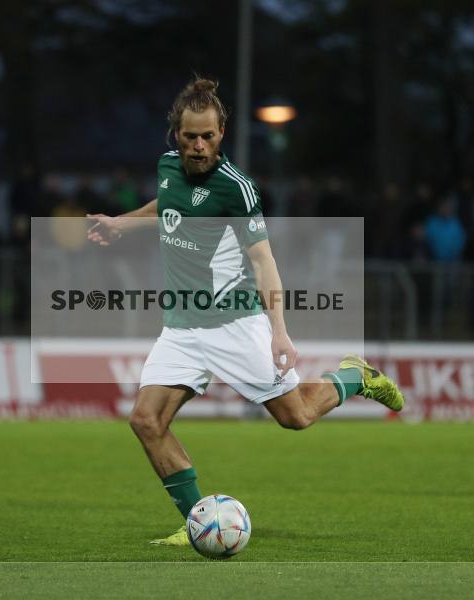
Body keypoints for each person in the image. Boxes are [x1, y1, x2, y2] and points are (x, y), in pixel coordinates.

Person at [85, 78, 404, 546]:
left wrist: (279, 330)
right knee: (146, 421)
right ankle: (196, 519)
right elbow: (168, 206)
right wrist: (121, 223)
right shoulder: (168, 167)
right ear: (176, 134)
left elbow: (263, 260)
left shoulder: (237, 189)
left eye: (208, 136)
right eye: (190, 136)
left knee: (295, 416)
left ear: (222, 133)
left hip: (235, 322)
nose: (198, 146)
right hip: (182, 328)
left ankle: (355, 376)